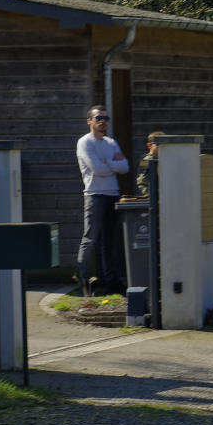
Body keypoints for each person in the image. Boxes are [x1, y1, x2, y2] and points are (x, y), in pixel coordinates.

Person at [75, 107, 130, 297]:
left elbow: (125, 167)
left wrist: (107, 163)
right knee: (90, 238)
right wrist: (111, 164)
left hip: (112, 193)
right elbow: (97, 169)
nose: (103, 121)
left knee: (110, 240)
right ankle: (83, 279)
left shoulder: (111, 142)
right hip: (94, 194)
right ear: (89, 121)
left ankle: (110, 280)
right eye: (99, 117)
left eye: (106, 118)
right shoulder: (85, 142)